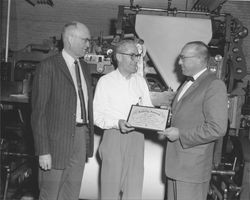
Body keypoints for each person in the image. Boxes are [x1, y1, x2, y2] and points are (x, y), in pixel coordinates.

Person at [31, 21, 94, 200]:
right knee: (50, 195)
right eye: (85, 40)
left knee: (71, 194)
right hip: (55, 143)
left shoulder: (84, 67)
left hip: (80, 139)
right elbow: (39, 113)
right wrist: (43, 150)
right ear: (70, 39)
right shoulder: (48, 66)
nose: (88, 45)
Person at [158, 41, 228, 200]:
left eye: (183, 58)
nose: (179, 62)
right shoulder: (187, 83)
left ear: (199, 59)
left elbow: (217, 128)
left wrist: (181, 134)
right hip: (177, 165)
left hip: (192, 168)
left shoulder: (214, 84)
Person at [93, 39, 153, 200]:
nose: (137, 60)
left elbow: (148, 110)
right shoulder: (105, 82)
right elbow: (97, 116)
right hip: (114, 138)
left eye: (138, 56)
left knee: (134, 193)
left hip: (137, 139)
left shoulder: (140, 82)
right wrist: (117, 123)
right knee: (109, 193)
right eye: (133, 55)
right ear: (119, 57)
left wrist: (157, 119)